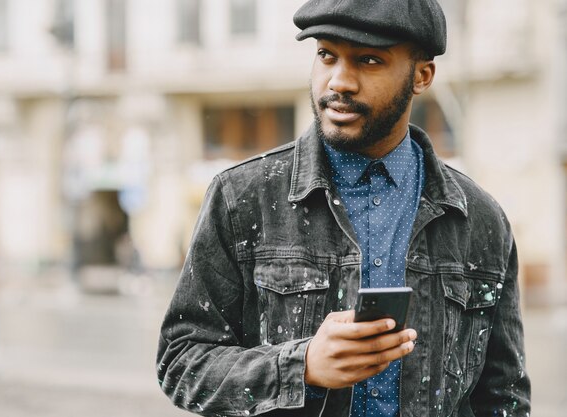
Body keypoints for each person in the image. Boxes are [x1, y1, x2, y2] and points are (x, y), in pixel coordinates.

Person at [156, 0, 532, 416]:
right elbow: (181, 361)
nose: (339, 81)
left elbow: (503, 398)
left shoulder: (480, 219)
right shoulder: (241, 197)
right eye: (326, 55)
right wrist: (301, 366)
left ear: (421, 76)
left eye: (368, 60)